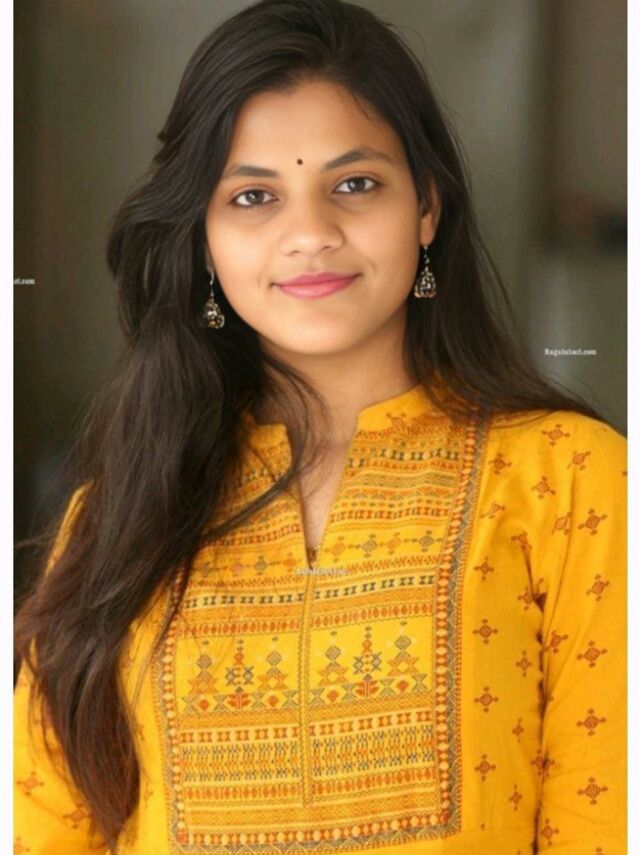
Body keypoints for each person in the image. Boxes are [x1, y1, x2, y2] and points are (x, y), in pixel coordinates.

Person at [13, 0, 626, 852]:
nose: (309, 233)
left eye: (355, 184)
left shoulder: (573, 480)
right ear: (205, 238)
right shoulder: (117, 517)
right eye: (254, 196)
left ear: (426, 206)